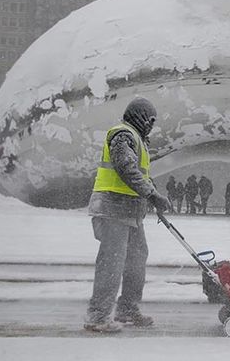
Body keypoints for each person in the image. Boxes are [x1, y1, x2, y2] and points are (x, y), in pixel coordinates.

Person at [84, 98, 171, 333]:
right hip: (112, 209)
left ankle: (128, 310)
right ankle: (98, 316)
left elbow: (141, 175)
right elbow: (126, 169)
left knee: (136, 259)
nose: (151, 126)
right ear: (140, 116)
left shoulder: (138, 140)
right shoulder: (123, 135)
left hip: (130, 212)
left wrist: (152, 197)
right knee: (111, 264)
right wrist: (152, 195)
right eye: (150, 120)